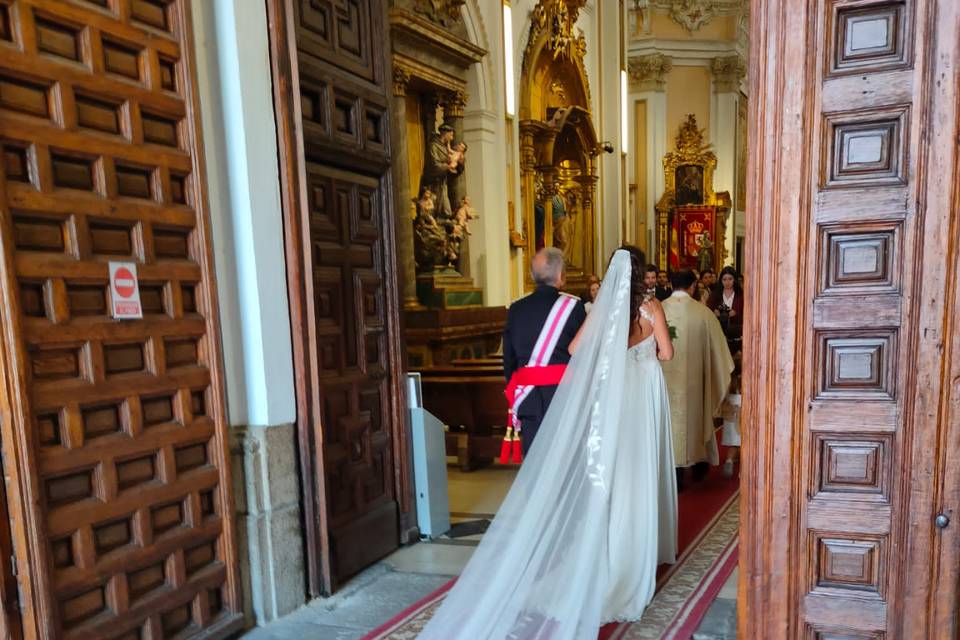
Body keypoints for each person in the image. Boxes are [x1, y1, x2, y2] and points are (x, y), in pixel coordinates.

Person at [419, 248, 678, 638]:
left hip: (610, 401)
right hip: (643, 398)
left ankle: (599, 552)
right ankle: (635, 551)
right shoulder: (651, 308)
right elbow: (666, 353)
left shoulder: (598, 310)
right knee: (638, 470)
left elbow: (573, 350)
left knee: (610, 472)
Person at [503, 248, 587, 456]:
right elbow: (583, 354)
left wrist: (515, 389)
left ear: (533, 276)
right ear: (561, 276)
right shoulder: (573, 307)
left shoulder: (516, 309)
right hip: (563, 396)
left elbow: (509, 358)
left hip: (528, 396)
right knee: (563, 460)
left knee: (533, 459)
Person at [661, 269, 734, 486]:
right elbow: (720, 355)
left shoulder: (659, 310)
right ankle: (698, 465)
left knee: (668, 423)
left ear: (671, 285)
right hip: (695, 383)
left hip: (664, 382)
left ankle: (673, 474)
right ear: (693, 286)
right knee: (695, 420)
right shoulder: (704, 314)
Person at [707, 266, 744, 358]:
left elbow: (747, 317)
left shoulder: (741, 296)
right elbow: (707, 313)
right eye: (724, 279)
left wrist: (736, 314)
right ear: (721, 281)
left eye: (730, 279)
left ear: (734, 280)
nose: (727, 282)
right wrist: (714, 313)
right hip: (718, 334)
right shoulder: (715, 295)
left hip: (736, 336)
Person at [719, 359, 742, 478]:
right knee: (744, 446)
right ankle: (742, 472)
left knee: (734, 445)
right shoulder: (745, 384)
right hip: (741, 420)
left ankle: (729, 460)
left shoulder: (730, 383)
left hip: (731, 419)